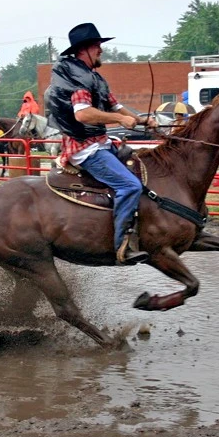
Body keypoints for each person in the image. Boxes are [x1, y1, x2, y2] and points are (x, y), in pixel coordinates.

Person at [46, 22, 157, 265]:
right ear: (84, 49)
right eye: (97, 46)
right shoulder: (77, 80)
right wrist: (119, 119)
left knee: (142, 167)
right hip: (86, 148)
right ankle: (122, 245)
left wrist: (141, 121)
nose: (101, 51)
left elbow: (116, 107)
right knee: (129, 185)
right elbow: (83, 114)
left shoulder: (95, 78)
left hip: (101, 143)